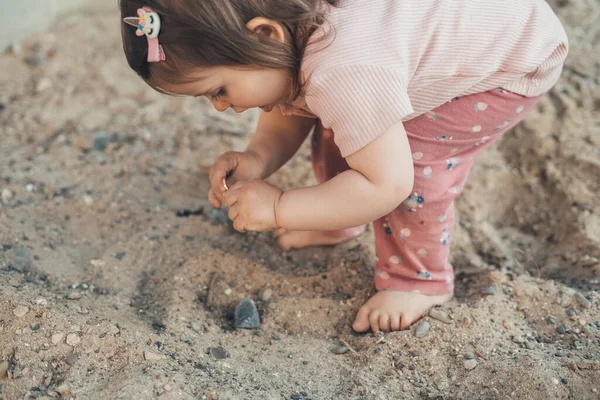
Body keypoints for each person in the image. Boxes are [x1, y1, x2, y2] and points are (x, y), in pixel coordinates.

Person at [120, 0, 568, 332]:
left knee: (412, 160)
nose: (220, 107)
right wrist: (258, 159)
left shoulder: (343, 67)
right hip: (449, 33)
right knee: (352, 122)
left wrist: (280, 208)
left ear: (264, 35)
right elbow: (289, 104)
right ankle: (337, 219)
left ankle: (420, 279)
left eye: (217, 89)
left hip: (510, 62)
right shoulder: (290, 35)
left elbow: (386, 183)